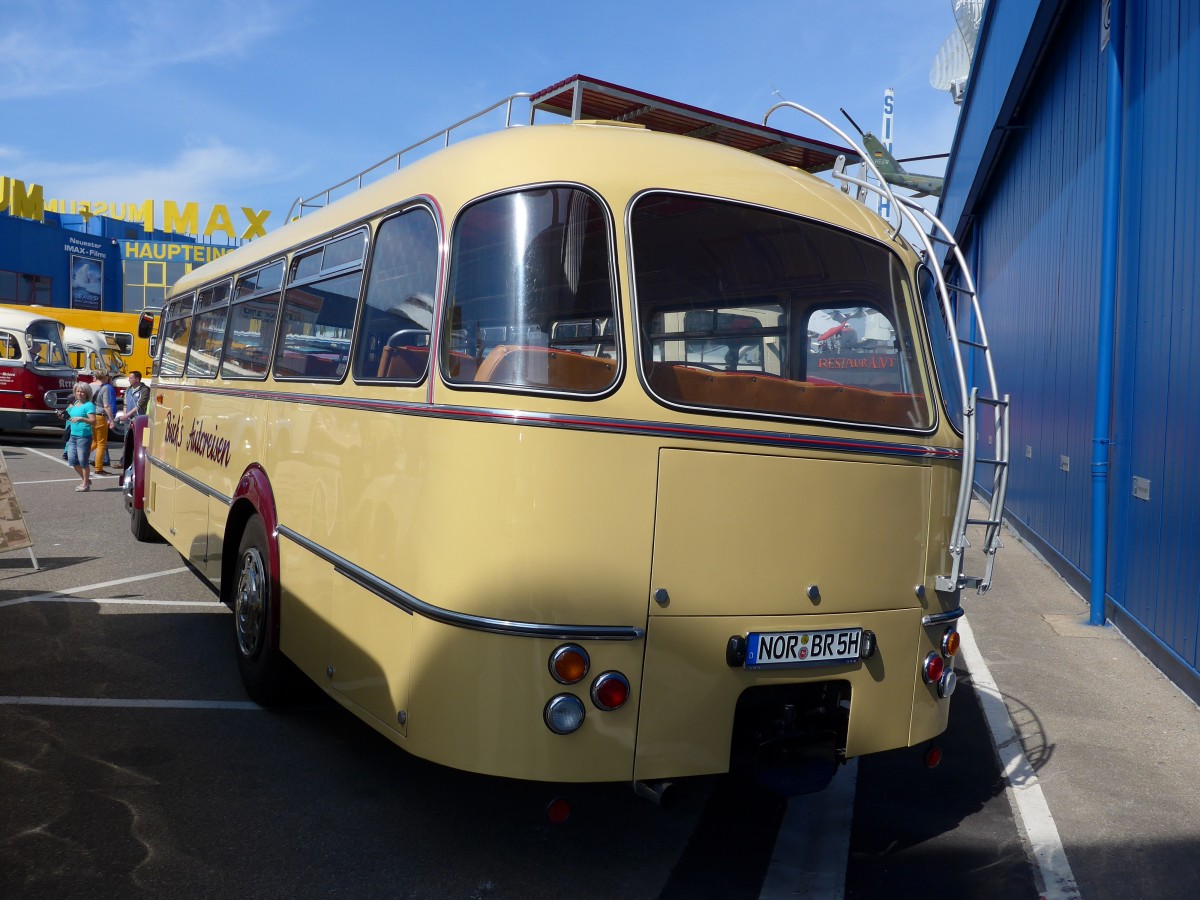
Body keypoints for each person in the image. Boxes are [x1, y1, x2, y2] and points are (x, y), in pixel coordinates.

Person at [60, 383, 96, 492]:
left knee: (83, 461)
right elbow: (71, 418)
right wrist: (63, 416)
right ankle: (86, 479)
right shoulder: (75, 403)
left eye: (82, 391)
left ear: (87, 393)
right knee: (72, 460)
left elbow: (93, 421)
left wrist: (81, 418)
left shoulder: (89, 405)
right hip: (73, 436)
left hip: (83, 437)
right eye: (78, 391)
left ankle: (85, 484)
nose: (79, 393)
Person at [91, 371, 117, 475]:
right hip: (100, 416)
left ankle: (80, 457)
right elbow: (106, 405)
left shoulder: (89, 386)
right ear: (105, 377)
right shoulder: (105, 388)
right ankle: (98, 468)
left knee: (94, 442)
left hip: (90, 415)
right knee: (101, 444)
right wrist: (111, 419)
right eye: (108, 376)